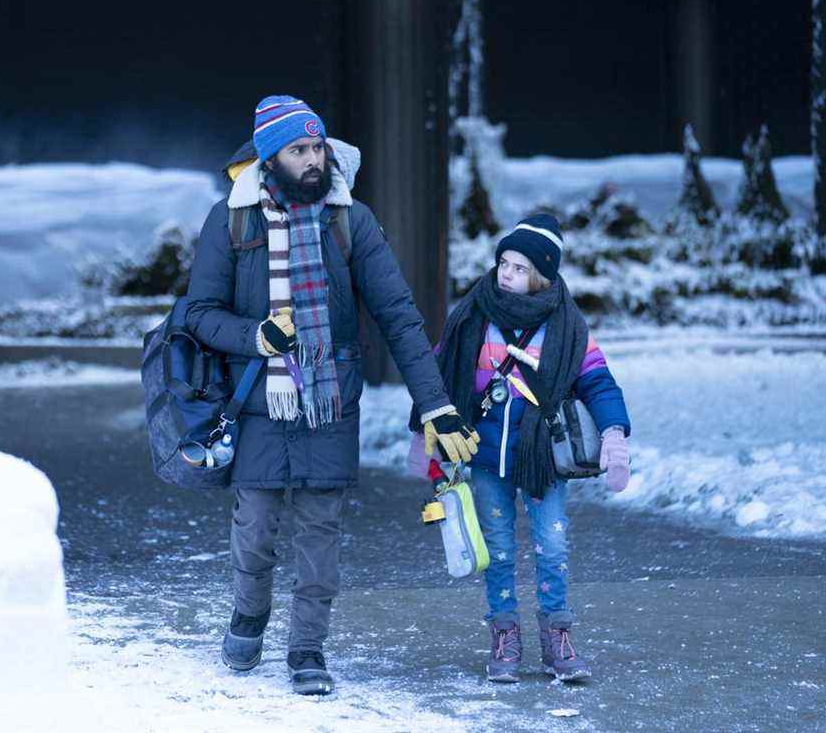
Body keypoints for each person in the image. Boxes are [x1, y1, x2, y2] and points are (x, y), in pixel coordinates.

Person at [184, 95, 480, 695]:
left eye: (318, 147)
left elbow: (398, 315)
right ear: (272, 157)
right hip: (257, 401)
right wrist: (255, 335)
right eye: (299, 150)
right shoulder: (232, 220)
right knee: (256, 525)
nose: (314, 159)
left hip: (330, 402)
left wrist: (436, 403)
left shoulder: (350, 219)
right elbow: (196, 314)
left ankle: (307, 649)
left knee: (320, 531)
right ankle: (249, 613)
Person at [412, 213, 632, 683]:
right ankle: (504, 635)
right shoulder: (474, 314)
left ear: (542, 276)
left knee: (552, 547)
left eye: (518, 267)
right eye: (503, 263)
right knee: (498, 551)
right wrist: (424, 436)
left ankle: (557, 636)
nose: (506, 273)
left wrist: (614, 433)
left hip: (543, 461)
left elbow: (597, 380)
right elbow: (437, 376)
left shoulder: (568, 326)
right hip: (486, 457)